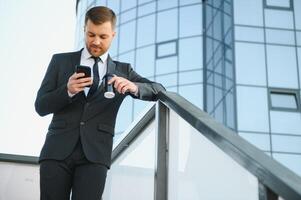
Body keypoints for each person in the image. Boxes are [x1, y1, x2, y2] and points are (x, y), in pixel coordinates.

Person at [35, 6, 165, 200]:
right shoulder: (60, 61)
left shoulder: (124, 70)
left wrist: (134, 86)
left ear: (113, 34)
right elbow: (41, 106)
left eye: (103, 37)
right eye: (91, 35)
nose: (95, 42)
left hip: (95, 156)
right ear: (84, 31)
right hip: (56, 152)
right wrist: (67, 90)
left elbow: (159, 90)